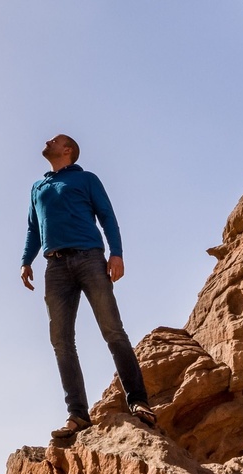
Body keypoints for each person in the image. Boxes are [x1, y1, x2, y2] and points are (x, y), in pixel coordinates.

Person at [19, 134, 154, 446]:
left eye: (55, 140)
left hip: (89, 259)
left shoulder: (87, 180)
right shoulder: (38, 187)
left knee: (113, 331)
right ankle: (77, 414)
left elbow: (107, 217)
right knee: (61, 341)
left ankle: (138, 401)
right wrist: (26, 260)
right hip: (55, 267)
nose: (47, 141)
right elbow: (33, 228)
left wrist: (116, 253)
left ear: (68, 151)